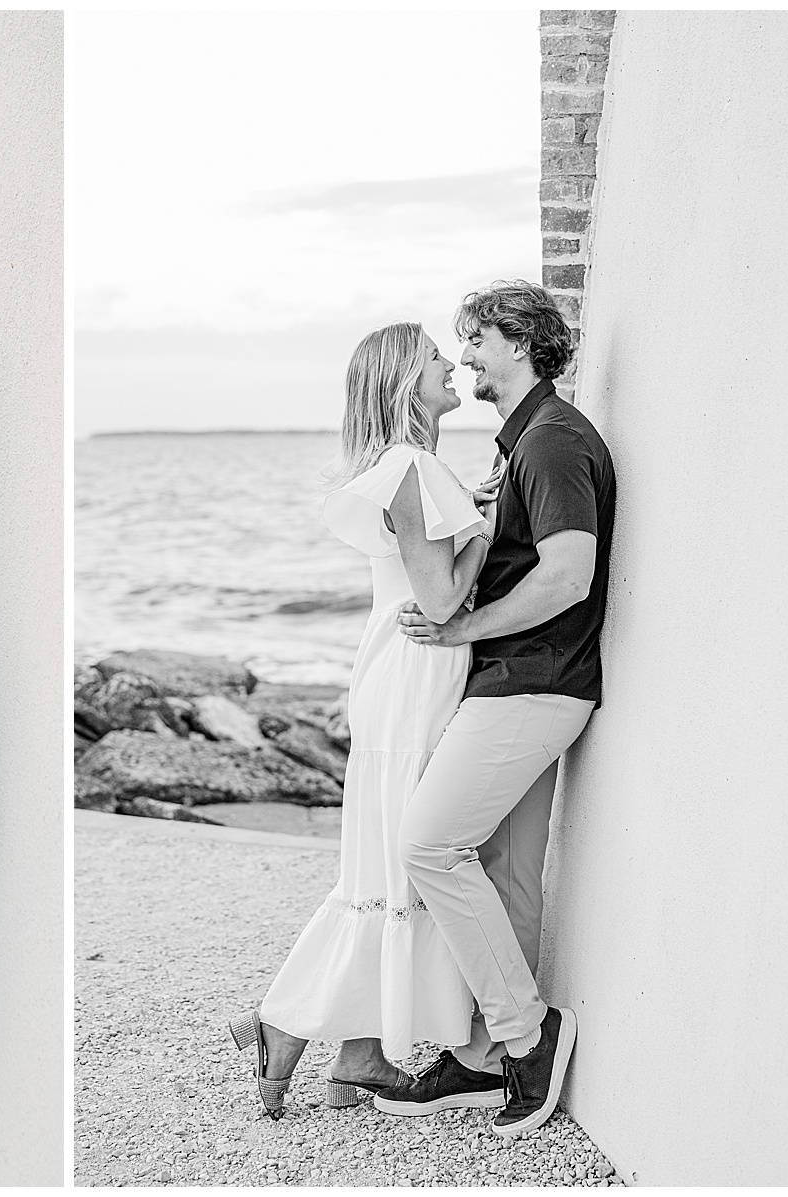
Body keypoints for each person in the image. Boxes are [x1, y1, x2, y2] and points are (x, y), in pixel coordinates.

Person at [228, 321, 501, 1119]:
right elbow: (444, 598)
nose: (451, 366)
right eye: (434, 360)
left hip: (400, 670)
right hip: (415, 675)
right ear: (402, 383)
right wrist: (483, 530)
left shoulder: (406, 467)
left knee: (385, 867)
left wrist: (469, 512)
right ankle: (285, 1022)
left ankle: (359, 1056)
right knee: (401, 866)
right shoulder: (412, 466)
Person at [376, 280, 614, 1139]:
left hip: (536, 681)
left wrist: (462, 626)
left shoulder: (551, 441)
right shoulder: (526, 446)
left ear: (517, 341)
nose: (465, 355)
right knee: (509, 875)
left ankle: (529, 1032)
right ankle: (485, 1058)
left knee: (426, 843)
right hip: (526, 681)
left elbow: (568, 574)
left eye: (473, 339)